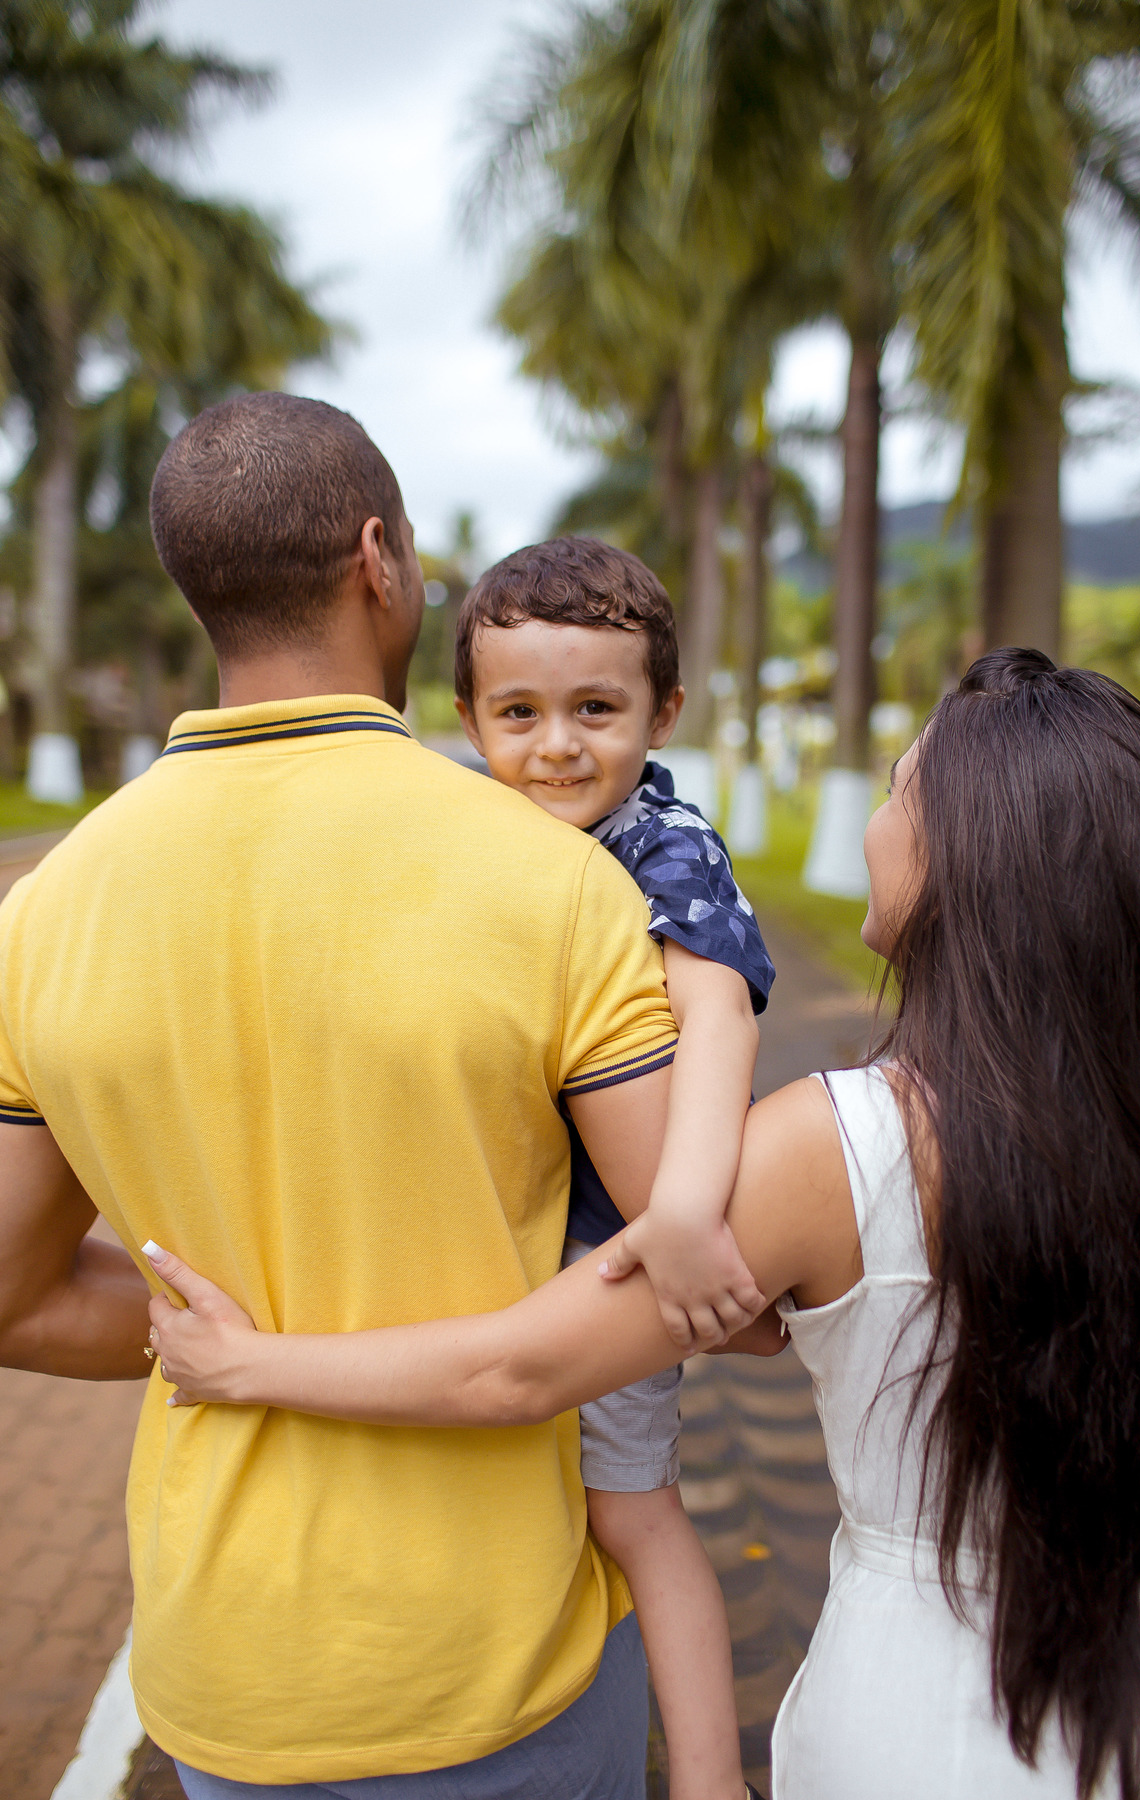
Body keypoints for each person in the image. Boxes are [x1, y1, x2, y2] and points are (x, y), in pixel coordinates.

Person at [152, 649, 1140, 1800]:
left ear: (972, 853)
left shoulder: (837, 1146)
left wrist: (252, 1361)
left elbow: (518, 1369)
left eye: (900, 790)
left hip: (915, 1733)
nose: (877, 824)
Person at [0, 392, 698, 1800]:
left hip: (225, 1670)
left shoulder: (42, 911)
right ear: (377, 558)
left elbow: (7, 1295)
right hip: (498, 1653)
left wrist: (234, 1344)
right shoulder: (553, 882)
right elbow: (689, 1269)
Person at [447, 536, 774, 1800]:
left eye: (598, 710)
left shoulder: (666, 849)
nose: (558, 747)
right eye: (518, 714)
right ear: (469, 718)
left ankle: (705, 1777)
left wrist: (685, 1214)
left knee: (636, 1516)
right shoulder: (491, 836)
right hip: (525, 1229)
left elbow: (720, 1018)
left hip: (623, 1242)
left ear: (664, 713)